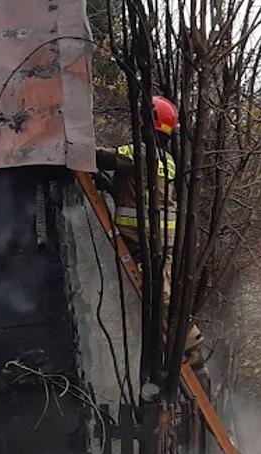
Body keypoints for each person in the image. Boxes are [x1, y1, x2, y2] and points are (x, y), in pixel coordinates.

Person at [96, 96, 202, 366]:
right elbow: (139, 192)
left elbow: (103, 158)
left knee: (162, 297)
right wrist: (110, 187)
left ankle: (190, 347)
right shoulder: (166, 159)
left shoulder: (141, 152)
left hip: (142, 239)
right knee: (163, 294)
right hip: (160, 239)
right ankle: (186, 347)